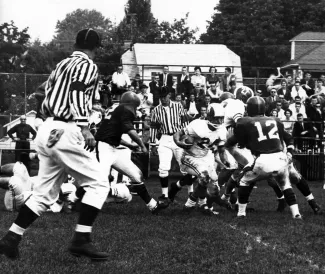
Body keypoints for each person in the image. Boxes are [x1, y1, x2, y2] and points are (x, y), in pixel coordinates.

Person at [0, 29, 111, 261]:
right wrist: (83, 125)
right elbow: (79, 92)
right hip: (67, 128)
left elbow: (43, 91)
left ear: (76, 43)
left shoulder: (61, 65)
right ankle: (81, 240)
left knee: (43, 195)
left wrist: (50, 118)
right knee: (99, 184)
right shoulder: (88, 65)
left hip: (47, 127)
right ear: (95, 47)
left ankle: (11, 238)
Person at [226, 96, 302, 219]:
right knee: (285, 184)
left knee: (244, 181)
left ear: (249, 108)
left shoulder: (244, 122)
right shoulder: (276, 120)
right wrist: (290, 152)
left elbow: (236, 142)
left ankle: (241, 213)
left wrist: (232, 139)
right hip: (280, 158)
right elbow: (288, 138)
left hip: (262, 160)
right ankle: (296, 213)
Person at [95, 91, 168, 213]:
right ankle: (73, 199)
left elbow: (113, 135)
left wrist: (129, 145)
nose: (135, 110)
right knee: (98, 180)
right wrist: (142, 146)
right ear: (131, 104)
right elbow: (130, 131)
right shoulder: (125, 109)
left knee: (135, 175)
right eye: (135, 107)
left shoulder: (116, 110)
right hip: (104, 149)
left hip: (112, 148)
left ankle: (153, 206)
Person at [173, 103, 228, 215]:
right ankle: (194, 205)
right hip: (190, 156)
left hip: (206, 156)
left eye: (221, 119)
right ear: (210, 116)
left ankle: (196, 204)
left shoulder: (222, 130)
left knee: (214, 189)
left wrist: (226, 162)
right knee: (204, 177)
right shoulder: (198, 124)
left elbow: (221, 150)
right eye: (217, 119)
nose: (219, 122)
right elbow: (178, 133)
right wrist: (179, 143)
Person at [149, 87, 194, 202]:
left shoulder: (178, 106)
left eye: (165, 96)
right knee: (163, 168)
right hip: (164, 138)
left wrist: (186, 137)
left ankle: (191, 194)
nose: (163, 99)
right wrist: (153, 144)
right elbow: (153, 128)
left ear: (169, 95)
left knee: (186, 167)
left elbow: (185, 121)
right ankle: (164, 195)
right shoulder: (156, 110)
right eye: (161, 97)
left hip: (178, 136)